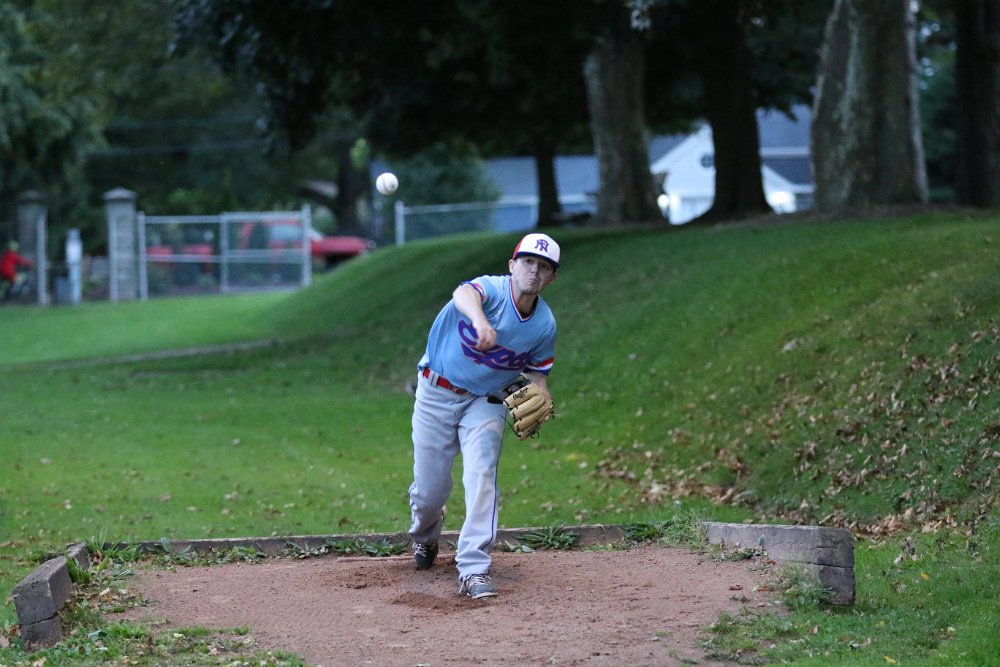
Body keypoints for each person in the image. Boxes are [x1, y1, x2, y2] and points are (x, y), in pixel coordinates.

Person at [407, 232, 561, 599]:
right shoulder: (491, 290)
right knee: (429, 493)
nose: (534, 271)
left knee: (482, 474)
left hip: (485, 401)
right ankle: (425, 535)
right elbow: (463, 293)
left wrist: (543, 394)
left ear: (552, 278)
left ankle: (473, 568)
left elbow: (538, 373)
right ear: (512, 266)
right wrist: (479, 320)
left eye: (543, 267)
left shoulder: (544, 325)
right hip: (436, 391)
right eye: (528, 262)